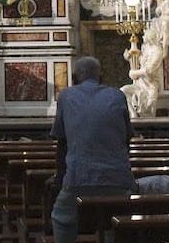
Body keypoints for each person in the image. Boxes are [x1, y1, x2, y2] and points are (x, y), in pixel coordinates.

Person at [50, 56, 136, 243]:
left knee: (61, 218)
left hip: (79, 177)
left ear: (74, 77)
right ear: (101, 77)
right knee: (120, 217)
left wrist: (59, 178)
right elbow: (126, 139)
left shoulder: (66, 96)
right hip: (118, 179)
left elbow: (62, 142)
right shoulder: (117, 95)